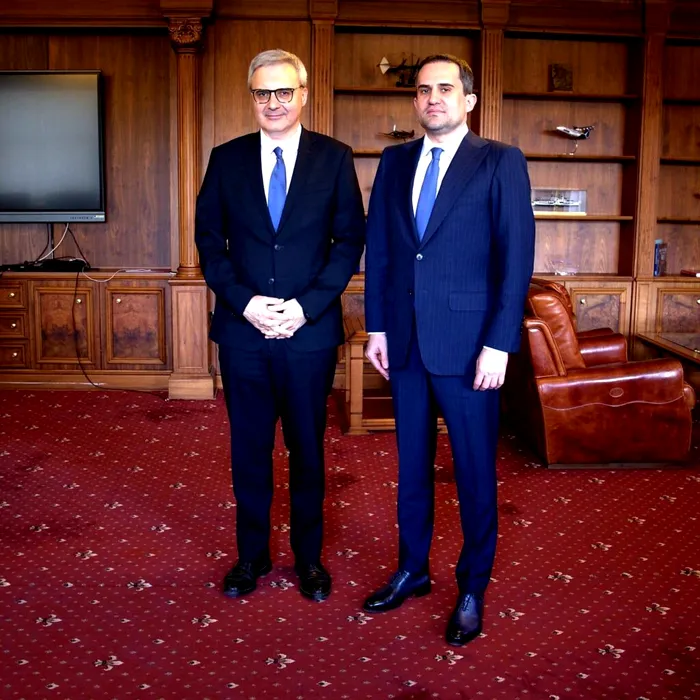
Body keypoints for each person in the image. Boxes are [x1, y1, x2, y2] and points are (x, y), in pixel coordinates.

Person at [362, 54, 535, 645]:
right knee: (411, 469)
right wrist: (377, 328)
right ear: (414, 101)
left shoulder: (500, 161)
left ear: (469, 100)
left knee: (474, 473)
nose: (432, 98)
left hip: (470, 349)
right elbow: (382, 252)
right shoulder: (395, 161)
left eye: (444, 88)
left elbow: (515, 259)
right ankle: (412, 570)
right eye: (422, 90)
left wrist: (499, 344)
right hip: (406, 343)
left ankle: (471, 587)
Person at [195, 49, 365, 602]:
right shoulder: (225, 159)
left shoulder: (334, 159)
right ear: (252, 98)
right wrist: (245, 303)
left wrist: (306, 307)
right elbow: (209, 244)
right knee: (249, 451)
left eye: (283, 91)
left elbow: (348, 243)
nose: (273, 102)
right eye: (263, 93)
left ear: (303, 95)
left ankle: (309, 559)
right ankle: (251, 556)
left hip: (308, 335)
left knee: (307, 451)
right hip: (243, 334)